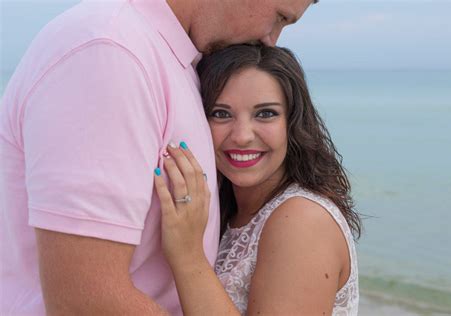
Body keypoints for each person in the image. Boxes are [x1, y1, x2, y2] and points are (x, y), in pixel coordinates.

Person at [0, 1, 315, 315]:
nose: (272, 39)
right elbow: (86, 301)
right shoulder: (110, 51)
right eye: (279, 17)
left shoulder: (167, 56)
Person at [153, 44, 362, 315]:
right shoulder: (228, 208)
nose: (242, 136)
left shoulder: (303, 220)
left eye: (265, 113)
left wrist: (188, 257)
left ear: (293, 124)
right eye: (221, 113)